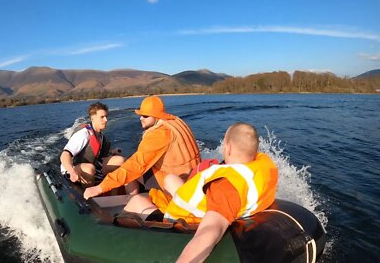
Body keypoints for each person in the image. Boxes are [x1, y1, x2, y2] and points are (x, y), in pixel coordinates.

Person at [124, 122, 278, 262]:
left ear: (229, 148)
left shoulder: (225, 185)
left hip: (184, 222)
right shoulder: (259, 166)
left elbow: (211, 230)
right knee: (170, 179)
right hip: (200, 208)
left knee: (136, 201)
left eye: (224, 144)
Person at [84, 95, 201, 199]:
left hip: (178, 183)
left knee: (129, 168)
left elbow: (136, 165)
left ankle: (131, 200)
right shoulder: (177, 121)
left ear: (156, 116)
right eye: (140, 115)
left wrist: (100, 188)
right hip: (194, 177)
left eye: (145, 116)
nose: (140, 118)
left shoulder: (159, 133)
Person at [60, 102, 124, 186]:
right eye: (102, 117)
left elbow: (96, 155)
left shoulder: (102, 137)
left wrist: (112, 153)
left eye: (106, 117)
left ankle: (113, 195)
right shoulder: (83, 134)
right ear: (93, 118)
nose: (106, 120)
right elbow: (64, 155)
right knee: (90, 169)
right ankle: (88, 195)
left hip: (92, 165)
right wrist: (72, 172)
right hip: (72, 169)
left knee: (120, 160)